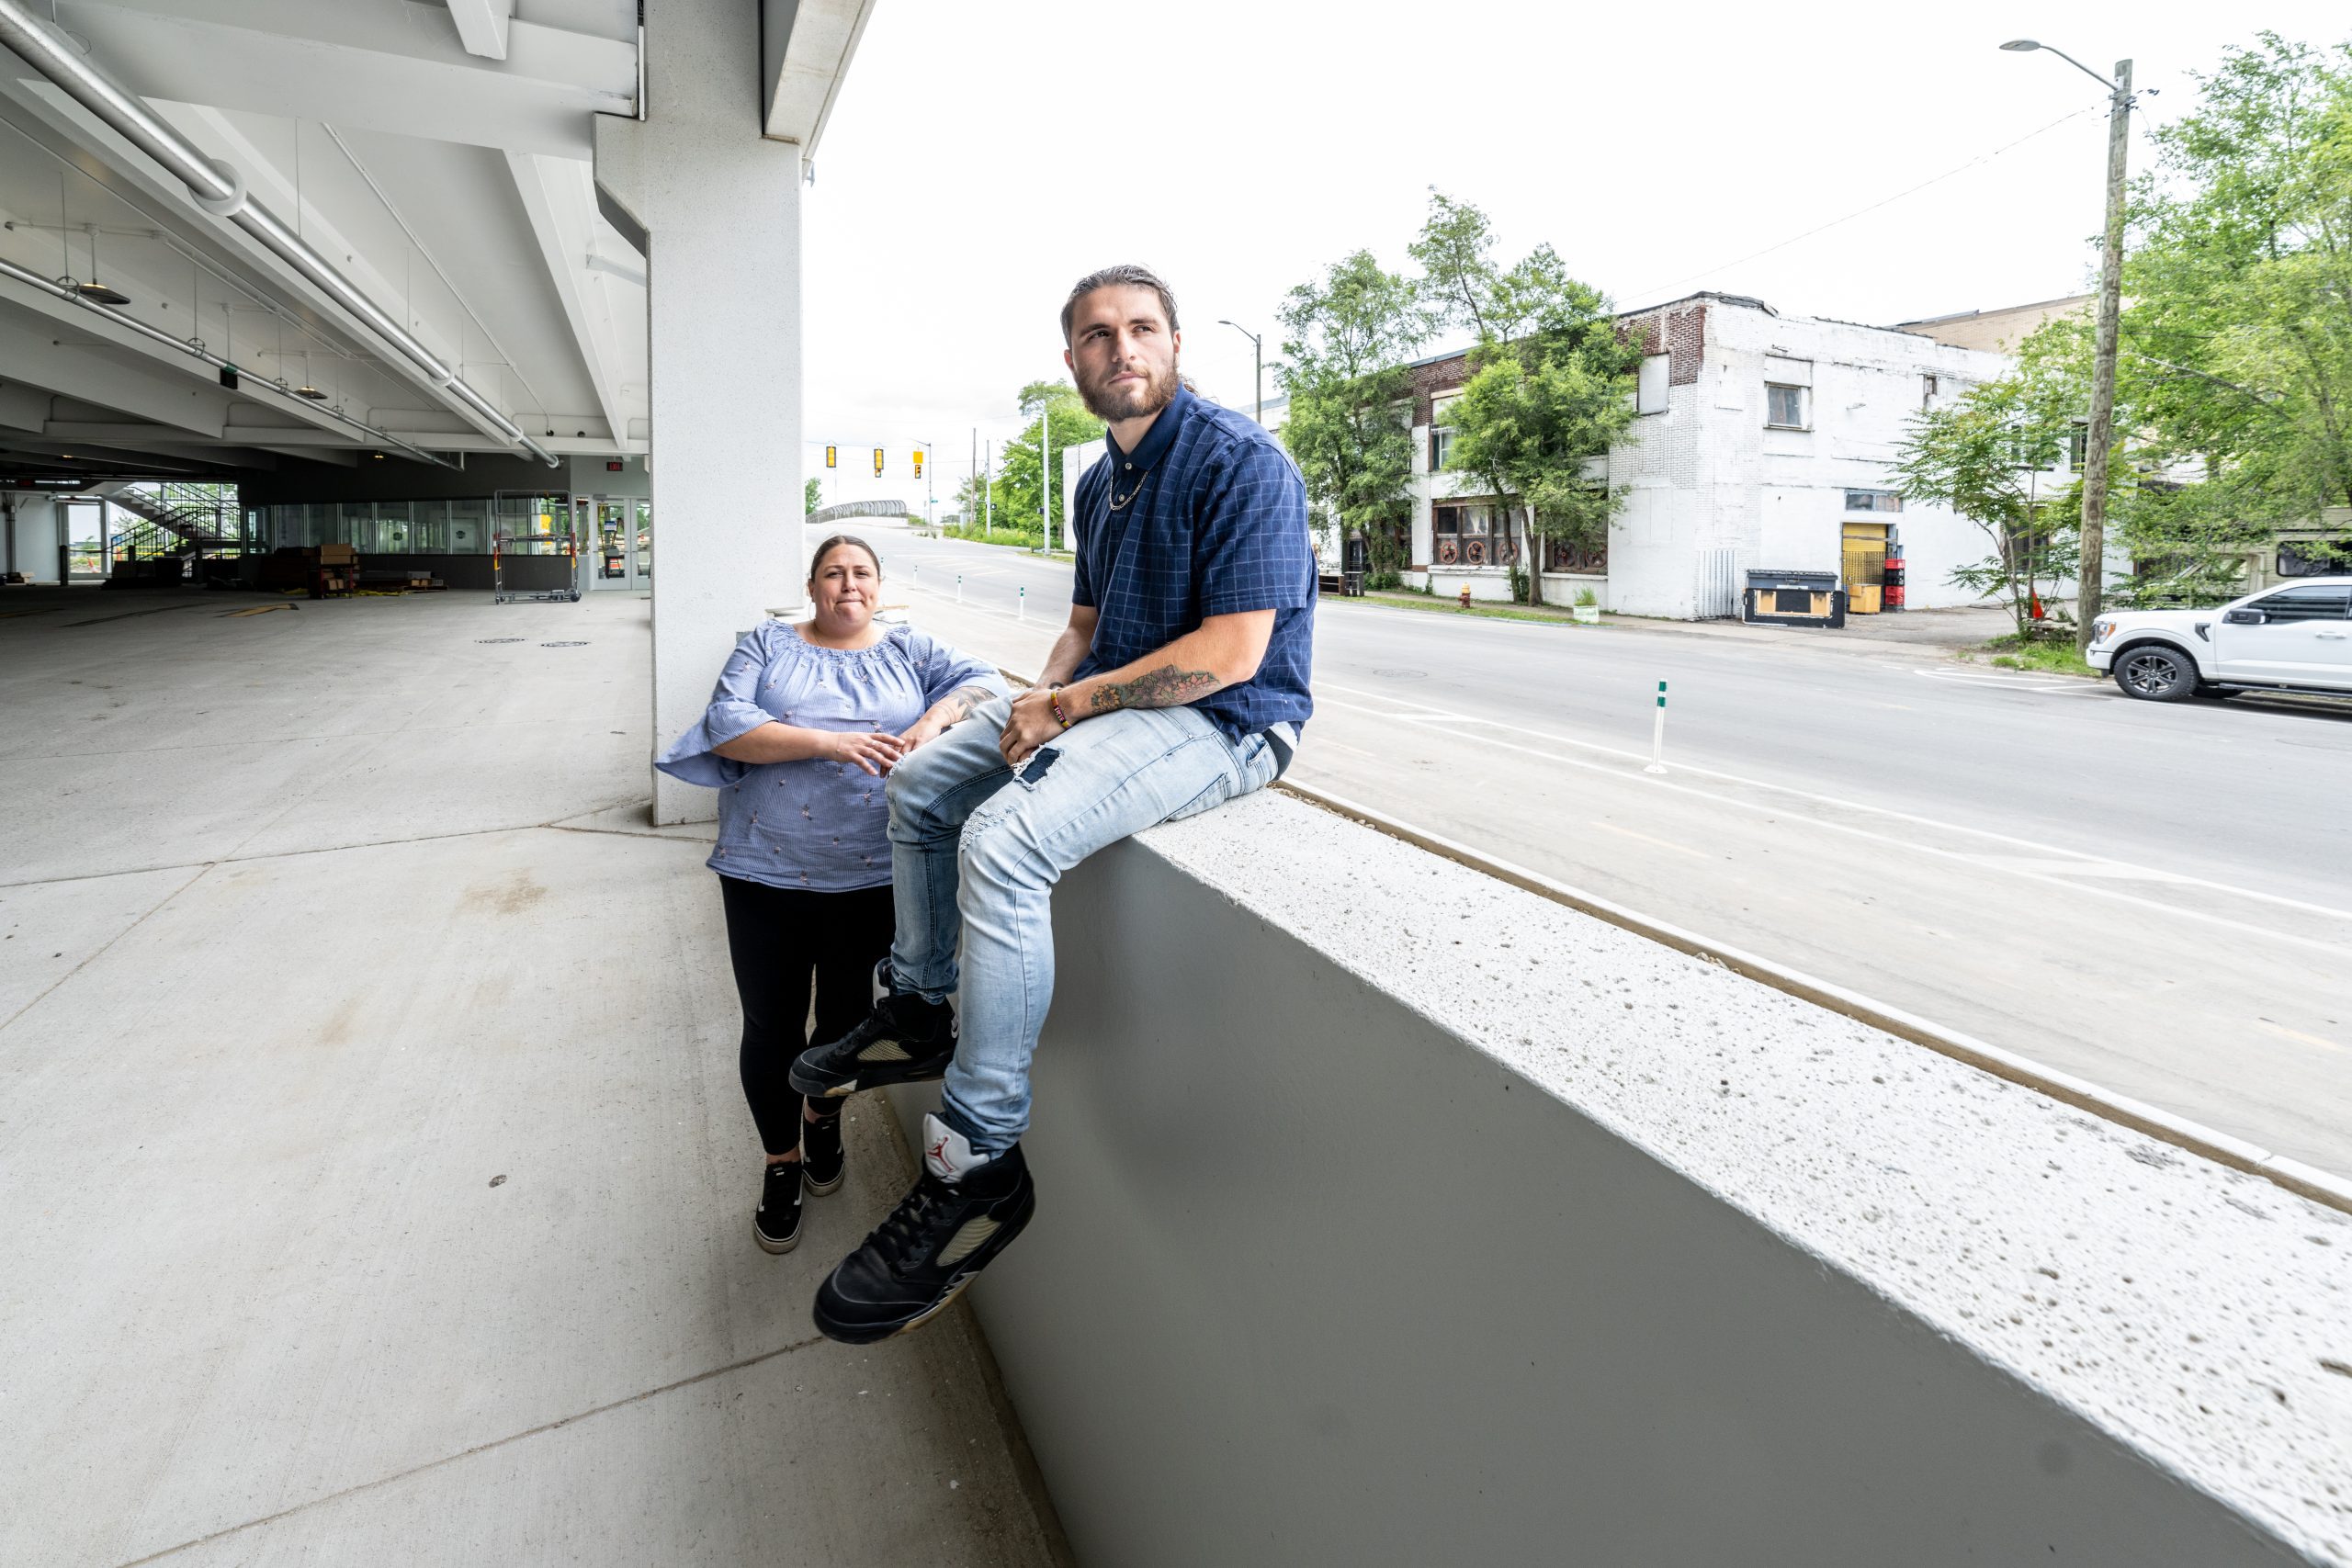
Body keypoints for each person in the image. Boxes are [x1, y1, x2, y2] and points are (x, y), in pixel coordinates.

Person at [790, 265, 1315, 1343]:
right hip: (1106, 705)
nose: (1119, 348)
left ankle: (977, 1159)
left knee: (1004, 839)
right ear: (1071, 361)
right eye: (1095, 335)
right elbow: (1082, 624)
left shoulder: (1241, 463)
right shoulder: (1096, 482)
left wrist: (1072, 704)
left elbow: (1230, 654)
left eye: (1140, 328)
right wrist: (1041, 698)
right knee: (928, 784)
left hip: (1227, 722)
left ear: (1172, 343)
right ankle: (924, 1000)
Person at [657, 535, 1003, 1256]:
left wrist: (930, 722)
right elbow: (730, 725)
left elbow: (986, 682)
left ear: (880, 586)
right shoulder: (767, 645)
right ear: (813, 587)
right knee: (771, 1026)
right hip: (764, 871)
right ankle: (780, 1162)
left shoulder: (909, 649)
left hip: (873, 876)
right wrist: (832, 744)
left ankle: (821, 1123)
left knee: (845, 1029)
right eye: (834, 573)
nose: (850, 584)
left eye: (862, 573)